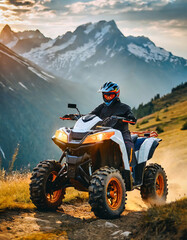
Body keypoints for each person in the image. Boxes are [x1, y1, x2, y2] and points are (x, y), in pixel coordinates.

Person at [90, 82, 140, 185]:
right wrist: (79, 117)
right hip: (104, 134)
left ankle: (131, 173)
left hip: (122, 134)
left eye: (110, 95)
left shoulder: (124, 107)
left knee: (128, 146)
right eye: (105, 95)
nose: (107, 97)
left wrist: (128, 118)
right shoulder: (101, 107)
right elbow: (91, 115)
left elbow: (132, 118)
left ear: (116, 94)